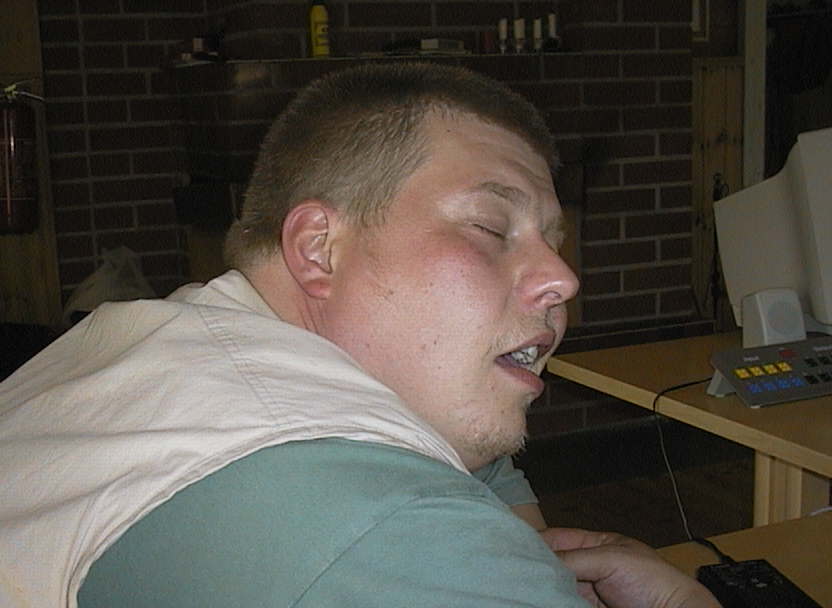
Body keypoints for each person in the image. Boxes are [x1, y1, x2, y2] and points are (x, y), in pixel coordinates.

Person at [0, 62, 718, 608]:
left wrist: (523, 558)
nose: (563, 278)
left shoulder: (159, 341)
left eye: (553, 242)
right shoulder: (392, 535)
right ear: (319, 248)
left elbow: (478, 456)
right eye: (489, 227)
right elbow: (409, 530)